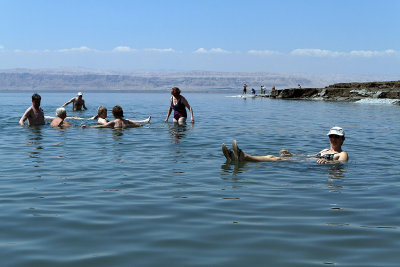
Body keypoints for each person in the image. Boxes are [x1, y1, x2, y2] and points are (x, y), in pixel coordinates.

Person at [222, 126, 348, 164]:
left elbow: (341, 163)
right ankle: (237, 156)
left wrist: (329, 163)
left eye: (336, 137)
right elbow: (309, 155)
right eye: (331, 136)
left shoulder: (342, 154)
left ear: (343, 139)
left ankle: (243, 156)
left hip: (306, 166)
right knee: (271, 156)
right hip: (304, 160)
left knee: (277, 158)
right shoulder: (325, 149)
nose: (333, 139)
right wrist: (292, 154)